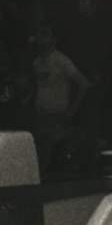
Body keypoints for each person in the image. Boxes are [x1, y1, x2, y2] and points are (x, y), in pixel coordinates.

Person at [33, 24, 89, 176]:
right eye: (39, 35)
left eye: (45, 35)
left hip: (57, 117)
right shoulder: (36, 62)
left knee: (53, 163)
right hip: (41, 118)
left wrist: (72, 111)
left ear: (53, 39)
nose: (41, 39)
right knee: (39, 161)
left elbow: (83, 84)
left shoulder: (62, 60)